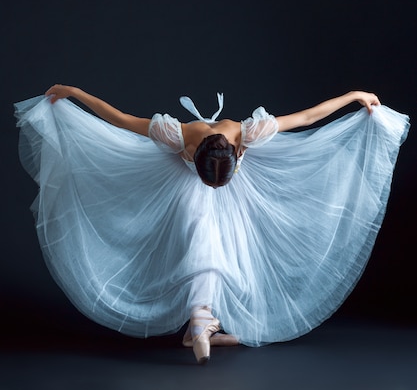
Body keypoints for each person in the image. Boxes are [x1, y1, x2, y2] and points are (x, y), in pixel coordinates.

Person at [15, 85, 409, 364]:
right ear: (195, 154)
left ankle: (198, 330)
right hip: (183, 195)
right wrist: (75, 95)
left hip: (237, 199)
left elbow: (306, 118)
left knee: (226, 250)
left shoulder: (245, 132)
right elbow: (118, 119)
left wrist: (354, 97)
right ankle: (202, 321)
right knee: (203, 248)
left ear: (234, 154)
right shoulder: (179, 136)